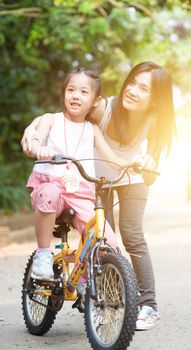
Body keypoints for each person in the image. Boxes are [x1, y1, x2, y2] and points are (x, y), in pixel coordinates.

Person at [21, 61, 176, 331]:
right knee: (100, 241)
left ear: (155, 100)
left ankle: (148, 304)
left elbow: (150, 174)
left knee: (131, 235)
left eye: (143, 89)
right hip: (95, 179)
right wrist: (33, 130)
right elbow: (62, 116)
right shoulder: (102, 108)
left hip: (130, 177)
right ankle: (102, 298)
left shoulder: (155, 122)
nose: (133, 91)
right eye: (132, 83)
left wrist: (147, 163)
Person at [24, 68, 131, 284]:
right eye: (71, 90)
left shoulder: (92, 130)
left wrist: (132, 164)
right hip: (51, 185)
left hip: (80, 192)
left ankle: (86, 279)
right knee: (48, 194)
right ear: (63, 94)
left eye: (83, 92)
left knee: (106, 239)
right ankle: (43, 254)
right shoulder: (51, 120)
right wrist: (38, 149)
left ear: (95, 100)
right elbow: (35, 139)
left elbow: (113, 158)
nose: (75, 95)